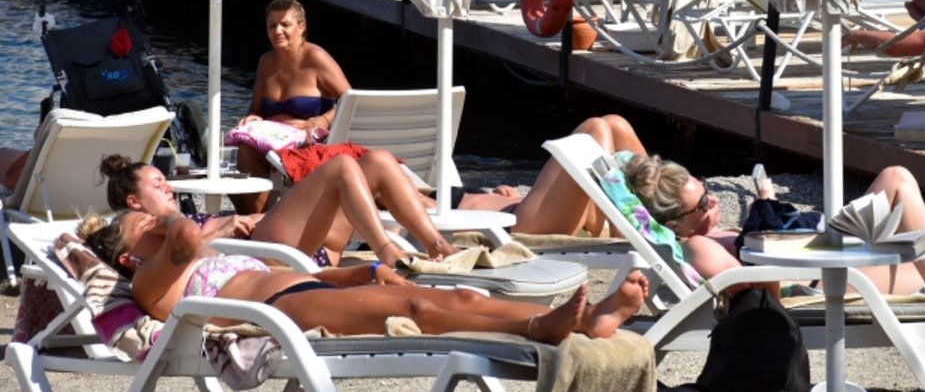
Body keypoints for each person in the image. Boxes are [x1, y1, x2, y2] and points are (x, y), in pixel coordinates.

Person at [501, 116, 925, 296]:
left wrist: (768, 216)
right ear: (676, 224)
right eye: (702, 208)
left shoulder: (696, 236)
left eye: (707, 195)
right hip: (824, 277)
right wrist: (778, 246)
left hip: (826, 257)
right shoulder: (694, 247)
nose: (713, 208)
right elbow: (752, 290)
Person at [77, 210, 649, 342]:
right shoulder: (152, 282)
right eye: (138, 226)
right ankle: (538, 329)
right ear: (127, 257)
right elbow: (184, 233)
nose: (152, 223)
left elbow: (299, 271)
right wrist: (163, 217)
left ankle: (586, 321)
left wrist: (364, 272)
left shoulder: (203, 260)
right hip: (282, 316)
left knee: (462, 293)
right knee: (418, 313)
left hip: (307, 290)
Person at [102, 152, 459, 266]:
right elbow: (174, 264)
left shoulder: (172, 219)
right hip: (265, 252)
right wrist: (221, 230)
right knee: (340, 167)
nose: (168, 186)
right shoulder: (141, 233)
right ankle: (386, 250)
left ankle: (438, 245)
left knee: (378, 161)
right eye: (157, 184)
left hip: (300, 242)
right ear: (134, 202)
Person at [234, 0, 350, 213]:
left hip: (306, 145)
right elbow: (256, 109)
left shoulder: (315, 58)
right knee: (243, 151)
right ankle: (258, 219)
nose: (277, 31)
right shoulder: (266, 62)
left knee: (245, 157)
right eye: (272, 25)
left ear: (301, 27)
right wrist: (253, 117)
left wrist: (323, 120)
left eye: (285, 25)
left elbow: (351, 102)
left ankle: (261, 222)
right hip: (270, 144)